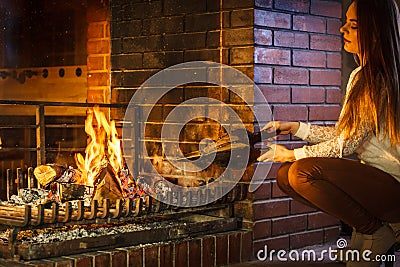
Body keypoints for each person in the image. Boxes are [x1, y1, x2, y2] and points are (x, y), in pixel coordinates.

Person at [257, 0, 400, 266]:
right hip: (382, 183)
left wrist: (292, 154)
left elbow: (347, 143)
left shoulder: (373, 77)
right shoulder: (368, 74)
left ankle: (378, 233)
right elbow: (347, 133)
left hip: (393, 186)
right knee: (286, 177)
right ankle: (369, 229)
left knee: (301, 172)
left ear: (376, 31)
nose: (342, 29)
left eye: (353, 25)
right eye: (345, 21)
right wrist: (298, 128)